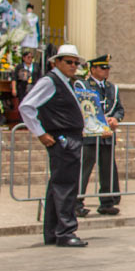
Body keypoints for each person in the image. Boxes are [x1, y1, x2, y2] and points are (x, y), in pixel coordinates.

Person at [18, 44, 87, 247]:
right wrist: (40, 133)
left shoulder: (66, 82)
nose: (73, 66)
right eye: (69, 62)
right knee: (66, 186)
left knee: (58, 186)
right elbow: (27, 106)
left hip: (69, 137)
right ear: (56, 62)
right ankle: (66, 231)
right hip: (63, 138)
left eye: (76, 62)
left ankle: (53, 231)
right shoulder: (50, 81)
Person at [76, 54, 124, 217]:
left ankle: (107, 202)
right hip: (89, 134)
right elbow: (83, 106)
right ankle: (76, 202)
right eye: (103, 68)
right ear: (93, 69)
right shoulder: (82, 84)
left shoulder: (112, 88)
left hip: (107, 134)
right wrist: (102, 119)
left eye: (107, 68)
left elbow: (119, 108)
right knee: (84, 168)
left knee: (108, 169)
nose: (106, 71)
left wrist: (115, 118)